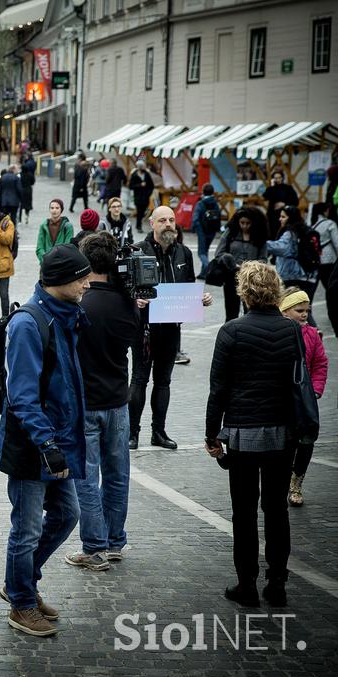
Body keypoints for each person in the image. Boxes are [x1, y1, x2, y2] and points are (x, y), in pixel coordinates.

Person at [0, 244, 91, 637]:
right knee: (27, 528)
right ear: (60, 282)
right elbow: (21, 396)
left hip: (58, 442)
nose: (88, 283)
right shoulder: (28, 324)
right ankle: (20, 603)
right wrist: (48, 445)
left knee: (68, 514)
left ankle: (21, 583)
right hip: (33, 447)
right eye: (82, 277)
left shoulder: (67, 315)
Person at [205, 261, 302, 608]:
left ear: (243, 291)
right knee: (276, 509)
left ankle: (246, 583)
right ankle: (277, 582)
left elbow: (218, 389)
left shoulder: (231, 331)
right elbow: (297, 382)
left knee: (243, 511)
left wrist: (211, 433)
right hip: (281, 432)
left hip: (243, 432)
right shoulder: (291, 330)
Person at [65, 232, 139, 572]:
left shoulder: (81, 305)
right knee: (117, 474)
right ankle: (115, 541)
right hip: (117, 401)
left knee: (85, 477)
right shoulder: (128, 302)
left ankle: (93, 546)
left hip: (87, 403)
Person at [130, 206, 213, 450]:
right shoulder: (137, 251)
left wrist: (200, 299)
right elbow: (124, 288)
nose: (168, 224)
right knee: (139, 379)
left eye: (171, 220)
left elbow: (187, 287)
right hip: (144, 329)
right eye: (163, 220)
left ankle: (159, 432)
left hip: (170, 329)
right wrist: (134, 298)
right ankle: (132, 432)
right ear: (152, 223)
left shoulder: (184, 253)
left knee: (163, 381)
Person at [279, 287, 327, 507]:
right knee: (286, 441)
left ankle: (297, 480)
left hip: (305, 397)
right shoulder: (277, 332)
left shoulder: (312, 335)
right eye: (299, 310)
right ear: (285, 310)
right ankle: (281, 480)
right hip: (282, 397)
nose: (305, 314)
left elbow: (320, 364)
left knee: (307, 439)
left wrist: (316, 389)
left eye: (307, 310)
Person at [267, 205, 319, 326]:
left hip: (294, 276)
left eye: (283, 216)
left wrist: (261, 242)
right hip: (308, 276)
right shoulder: (302, 229)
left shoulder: (290, 233)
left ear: (290, 218)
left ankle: (312, 333)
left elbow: (281, 247)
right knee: (305, 308)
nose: (280, 219)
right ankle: (311, 334)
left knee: (297, 309)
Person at [214, 207, 269, 320]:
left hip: (251, 279)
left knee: (250, 312)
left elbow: (263, 259)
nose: (244, 226)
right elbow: (219, 254)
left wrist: (251, 267)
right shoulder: (230, 233)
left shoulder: (259, 236)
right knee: (231, 312)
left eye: (248, 223)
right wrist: (230, 261)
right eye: (242, 223)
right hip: (231, 277)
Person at [310, 203, 338, 325]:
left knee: (328, 287)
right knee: (333, 286)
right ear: (325, 211)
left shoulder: (313, 225)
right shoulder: (330, 224)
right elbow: (337, 243)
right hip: (331, 259)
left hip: (319, 261)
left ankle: (331, 310)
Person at [191, 183, 221, 278]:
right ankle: (203, 273)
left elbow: (195, 218)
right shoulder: (215, 203)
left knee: (201, 252)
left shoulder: (201, 203)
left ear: (203, 191)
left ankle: (207, 266)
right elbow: (219, 216)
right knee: (206, 250)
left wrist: (194, 229)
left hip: (202, 230)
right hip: (212, 231)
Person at [263, 170, 300, 239]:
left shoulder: (288, 188)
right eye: (275, 178)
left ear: (282, 178)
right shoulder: (271, 189)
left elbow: (295, 201)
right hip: (273, 215)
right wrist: (272, 186)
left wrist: (284, 204)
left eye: (279, 177)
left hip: (284, 214)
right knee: (272, 233)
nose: (278, 179)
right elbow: (265, 196)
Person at [128, 161, 154, 233]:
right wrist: (139, 185)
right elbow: (131, 186)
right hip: (138, 197)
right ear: (138, 167)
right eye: (141, 167)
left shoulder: (147, 174)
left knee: (142, 212)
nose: (142, 168)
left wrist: (148, 194)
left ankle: (138, 224)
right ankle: (139, 226)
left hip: (145, 197)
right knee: (139, 211)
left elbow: (151, 186)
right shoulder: (134, 175)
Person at [20, 153, 37, 224]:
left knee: (21, 205)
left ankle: (20, 219)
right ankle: (27, 216)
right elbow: (33, 182)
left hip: (21, 190)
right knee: (27, 204)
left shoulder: (20, 175)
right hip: (28, 190)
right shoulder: (30, 175)